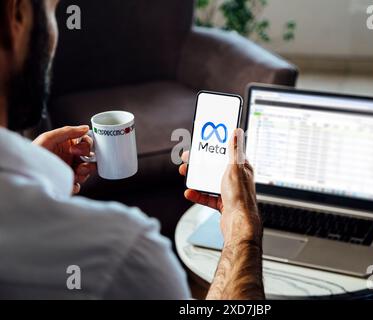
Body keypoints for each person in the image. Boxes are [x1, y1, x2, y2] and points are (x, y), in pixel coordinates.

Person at [0, 0, 263, 299]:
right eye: (51, 11)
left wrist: (34, 177)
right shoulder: (123, 256)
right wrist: (243, 231)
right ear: (16, 15)